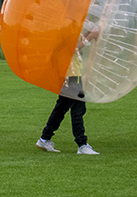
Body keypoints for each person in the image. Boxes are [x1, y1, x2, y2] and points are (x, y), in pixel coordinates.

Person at [36, 24, 100, 155]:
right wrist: (91, 36)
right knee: (78, 108)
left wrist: (89, 32)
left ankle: (44, 138)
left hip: (69, 72)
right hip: (69, 73)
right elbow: (74, 47)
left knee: (61, 108)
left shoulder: (68, 24)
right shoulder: (67, 25)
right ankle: (82, 144)